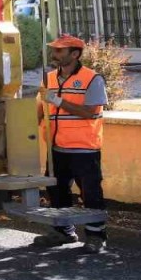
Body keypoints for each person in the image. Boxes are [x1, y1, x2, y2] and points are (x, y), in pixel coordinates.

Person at [34, 34, 108, 254]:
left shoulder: (92, 79)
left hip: (84, 148)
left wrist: (57, 100)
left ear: (74, 54)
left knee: (91, 193)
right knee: (56, 191)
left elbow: (89, 112)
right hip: (56, 147)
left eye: (59, 50)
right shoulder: (49, 79)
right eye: (54, 50)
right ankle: (63, 231)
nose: (54, 54)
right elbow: (40, 111)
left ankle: (96, 237)